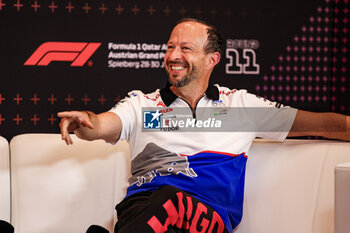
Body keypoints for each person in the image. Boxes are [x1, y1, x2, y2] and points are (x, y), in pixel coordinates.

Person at [58, 18, 350, 233]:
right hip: (144, 212)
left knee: (170, 197)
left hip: (208, 220)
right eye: (170, 47)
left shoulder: (241, 106)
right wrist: (85, 123)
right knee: (160, 203)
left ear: (212, 59)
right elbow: (101, 124)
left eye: (186, 48)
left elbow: (324, 124)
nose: (173, 56)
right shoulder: (141, 104)